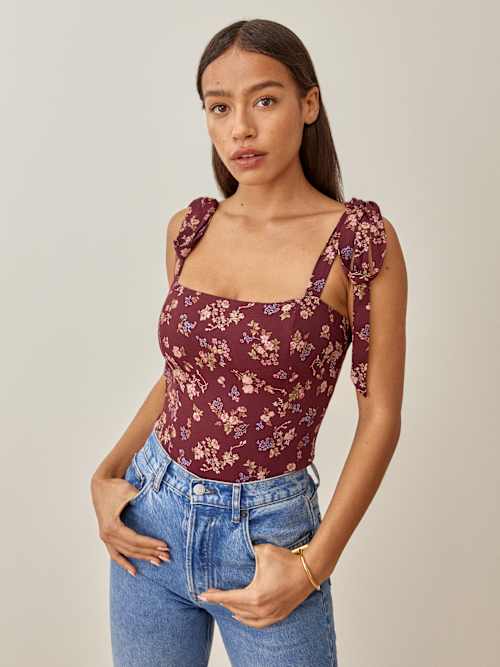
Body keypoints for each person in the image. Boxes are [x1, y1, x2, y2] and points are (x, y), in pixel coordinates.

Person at [90, 17, 407, 667]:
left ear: (308, 103)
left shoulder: (358, 243)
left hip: (267, 537)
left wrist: (314, 564)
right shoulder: (189, 229)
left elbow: (380, 416)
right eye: (219, 107)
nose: (240, 128)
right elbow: (185, 374)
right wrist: (106, 472)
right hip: (152, 517)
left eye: (264, 100)